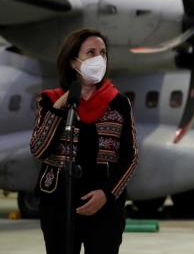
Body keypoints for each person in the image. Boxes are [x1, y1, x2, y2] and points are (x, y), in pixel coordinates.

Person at [30, 28, 138, 254]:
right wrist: (61, 107)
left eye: (103, 53)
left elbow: (131, 157)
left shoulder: (119, 103)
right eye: (91, 52)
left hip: (105, 206)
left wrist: (106, 194)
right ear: (73, 62)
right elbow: (39, 150)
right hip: (59, 204)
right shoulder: (50, 101)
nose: (99, 58)